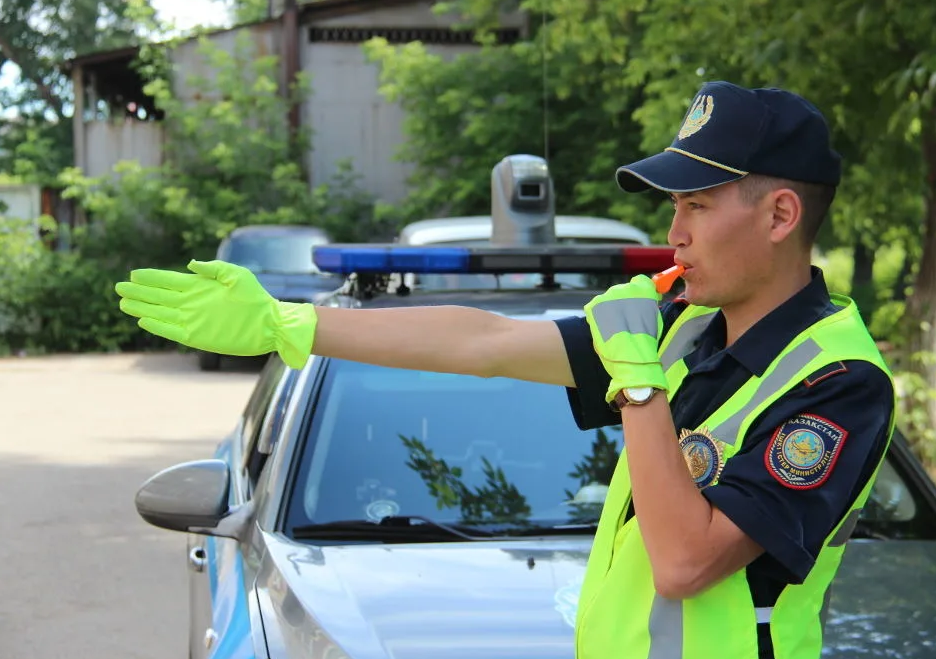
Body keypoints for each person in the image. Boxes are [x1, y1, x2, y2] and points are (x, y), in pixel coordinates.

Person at [115, 80, 896, 659]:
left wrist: (638, 384)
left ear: (780, 215)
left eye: (695, 204)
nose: (674, 232)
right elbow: (482, 342)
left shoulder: (839, 383)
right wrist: (292, 325)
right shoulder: (686, 325)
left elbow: (686, 559)